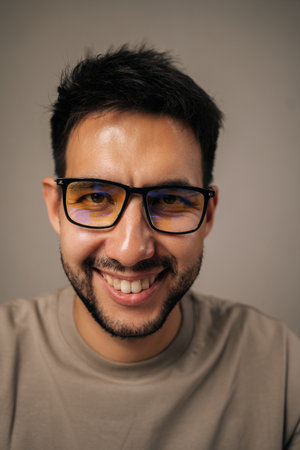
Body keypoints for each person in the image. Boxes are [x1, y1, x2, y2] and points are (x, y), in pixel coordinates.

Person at [0, 45, 299, 450]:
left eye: (171, 199)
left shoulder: (282, 368)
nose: (130, 249)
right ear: (56, 207)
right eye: (95, 197)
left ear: (208, 214)